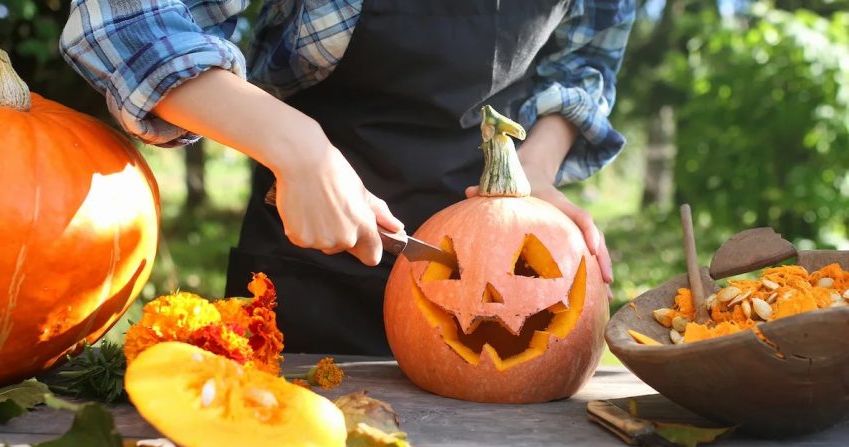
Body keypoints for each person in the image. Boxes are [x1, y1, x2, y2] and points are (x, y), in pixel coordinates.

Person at [61, 0, 635, 356]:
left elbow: (587, 57)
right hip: (308, 258)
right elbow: (123, 17)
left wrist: (532, 172)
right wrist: (297, 148)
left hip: (492, 217)